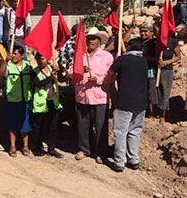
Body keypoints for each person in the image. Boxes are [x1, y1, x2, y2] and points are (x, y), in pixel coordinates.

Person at [73, 27, 113, 164]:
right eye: (89, 39)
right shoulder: (79, 56)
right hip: (82, 96)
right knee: (83, 125)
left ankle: (101, 152)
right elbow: (69, 72)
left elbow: (111, 76)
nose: (91, 41)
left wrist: (98, 80)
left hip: (99, 96)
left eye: (94, 39)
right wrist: (79, 70)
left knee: (101, 126)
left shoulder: (106, 56)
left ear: (99, 41)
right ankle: (84, 149)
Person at [107, 38, 148, 172]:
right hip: (141, 103)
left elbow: (111, 73)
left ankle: (120, 161)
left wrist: (118, 61)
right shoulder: (144, 61)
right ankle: (133, 159)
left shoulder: (123, 60)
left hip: (125, 101)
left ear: (129, 47)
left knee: (120, 132)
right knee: (135, 131)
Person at [30, 52, 64, 158]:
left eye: (43, 58)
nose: (41, 61)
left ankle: (51, 149)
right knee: (39, 127)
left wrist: (60, 71)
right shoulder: (34, 72)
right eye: (38, 59)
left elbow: (61, 80)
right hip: (40, 103)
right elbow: (39, 83)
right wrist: (52, 77)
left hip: (52, 101)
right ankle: (37, 147)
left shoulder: (51, 68)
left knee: (52, 127)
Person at [2, 45, 32, 157]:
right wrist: (5, 61)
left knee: (25, 124)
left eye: (16, 54)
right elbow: (1, 73)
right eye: (13, 54)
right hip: (13, 99)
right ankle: (12, 147)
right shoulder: (9, 66)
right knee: (12, 124)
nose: (13, 56)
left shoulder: (27, 66)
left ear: (22, 56)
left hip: (25, 99)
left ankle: (25, 146)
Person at [154, 21, 182, 121]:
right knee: (153, 90)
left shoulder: (172, 41)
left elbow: (178, 57)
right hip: (153, 69)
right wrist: (155, 60)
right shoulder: (153, 42)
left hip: (167, 70)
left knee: (165, 91)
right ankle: (153, 112)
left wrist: (166, 62)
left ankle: (163, 115)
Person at [140, 23, 158, 117]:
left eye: (145, 31)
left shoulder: (154, 43)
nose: (143, 33)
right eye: (141, 31)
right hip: (139, 70)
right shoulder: (138, 42)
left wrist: (145, 57)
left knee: (150, 88)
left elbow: (156, 58)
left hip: (149, 69)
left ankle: (151, 112)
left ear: (151, 32)